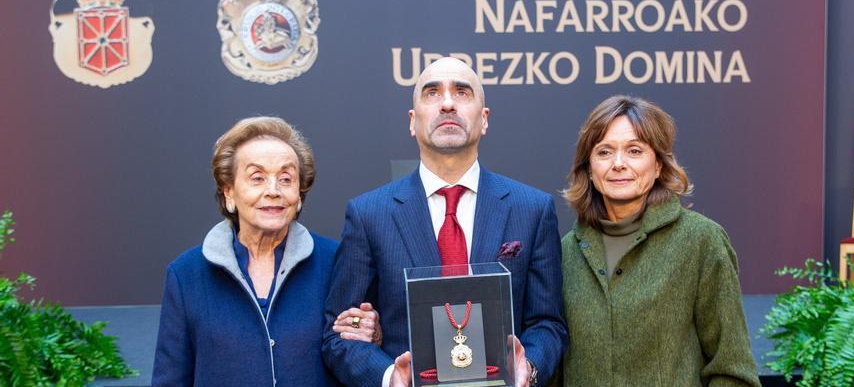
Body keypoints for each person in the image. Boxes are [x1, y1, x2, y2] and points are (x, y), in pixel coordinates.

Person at [323, 57, 568, 387]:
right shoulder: (368, 215)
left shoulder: (533, 209)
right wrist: (390, 376)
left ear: (484, 119)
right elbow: (340, 335)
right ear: (413, 121)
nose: (448, 103)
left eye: (462, 92)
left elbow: (548, 324)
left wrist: (530, 366)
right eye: (433, 93)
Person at [152, 117, 378, 386]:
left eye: (286, 178)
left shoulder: (337, 261)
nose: (273, 191)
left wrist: (370, 332)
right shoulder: (186, 274)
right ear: (229, 192)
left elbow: (353, 343)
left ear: (299, 194)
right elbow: (170, 379)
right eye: (257, 178)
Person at [558, 96, 760, 386]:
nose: (618, 164)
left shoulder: (701, 240)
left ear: (658, 166)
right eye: (604, 152)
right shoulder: (567, 251)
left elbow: (732, 369)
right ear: (589, 168)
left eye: (634, 150)